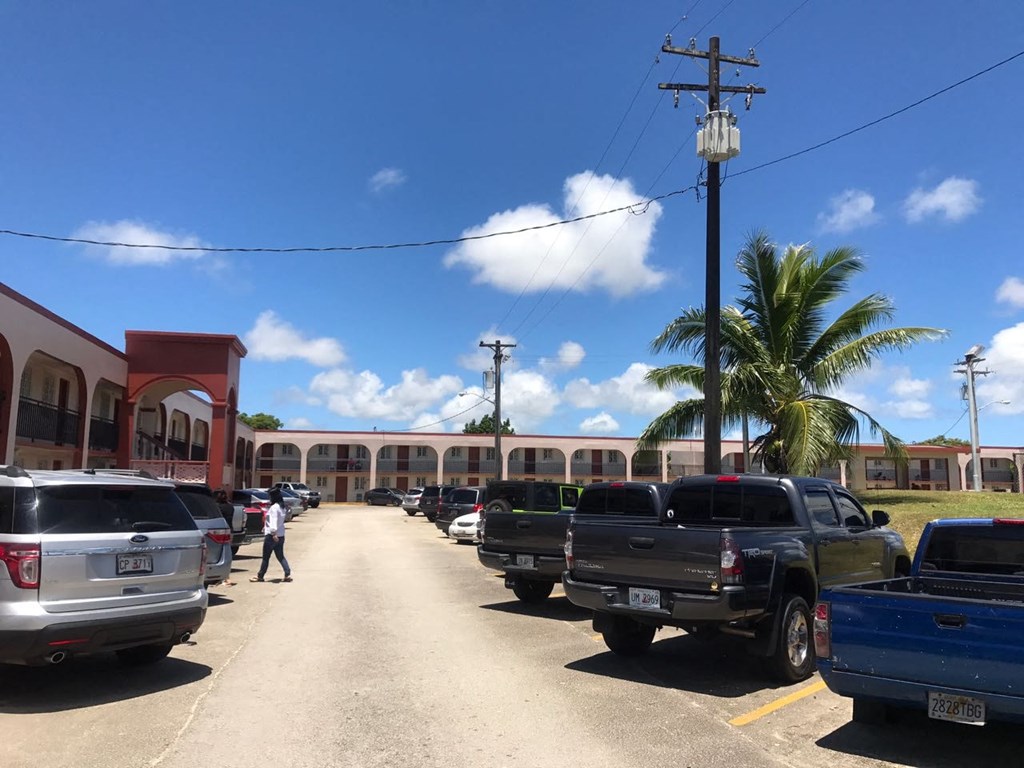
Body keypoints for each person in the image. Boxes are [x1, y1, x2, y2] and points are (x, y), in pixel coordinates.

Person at [251, 487, 292, 583]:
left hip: (272, 535)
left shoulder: (274, 508)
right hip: (281, 534)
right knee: (280, 555)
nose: (269, 497)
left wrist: (273, 533)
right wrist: (266, 527)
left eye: (270, 495)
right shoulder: (282, 507)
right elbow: (276, 521)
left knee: (266, 557)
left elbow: (273, 521)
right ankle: (287, 572)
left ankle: (260, 575)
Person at [213, 489, 237, 586]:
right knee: (227, 554)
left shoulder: (217, 507)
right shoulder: (230, 506)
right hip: (229, 531)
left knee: (216, 555)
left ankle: (223, 578)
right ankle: (225, 577)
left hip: (219, 531)